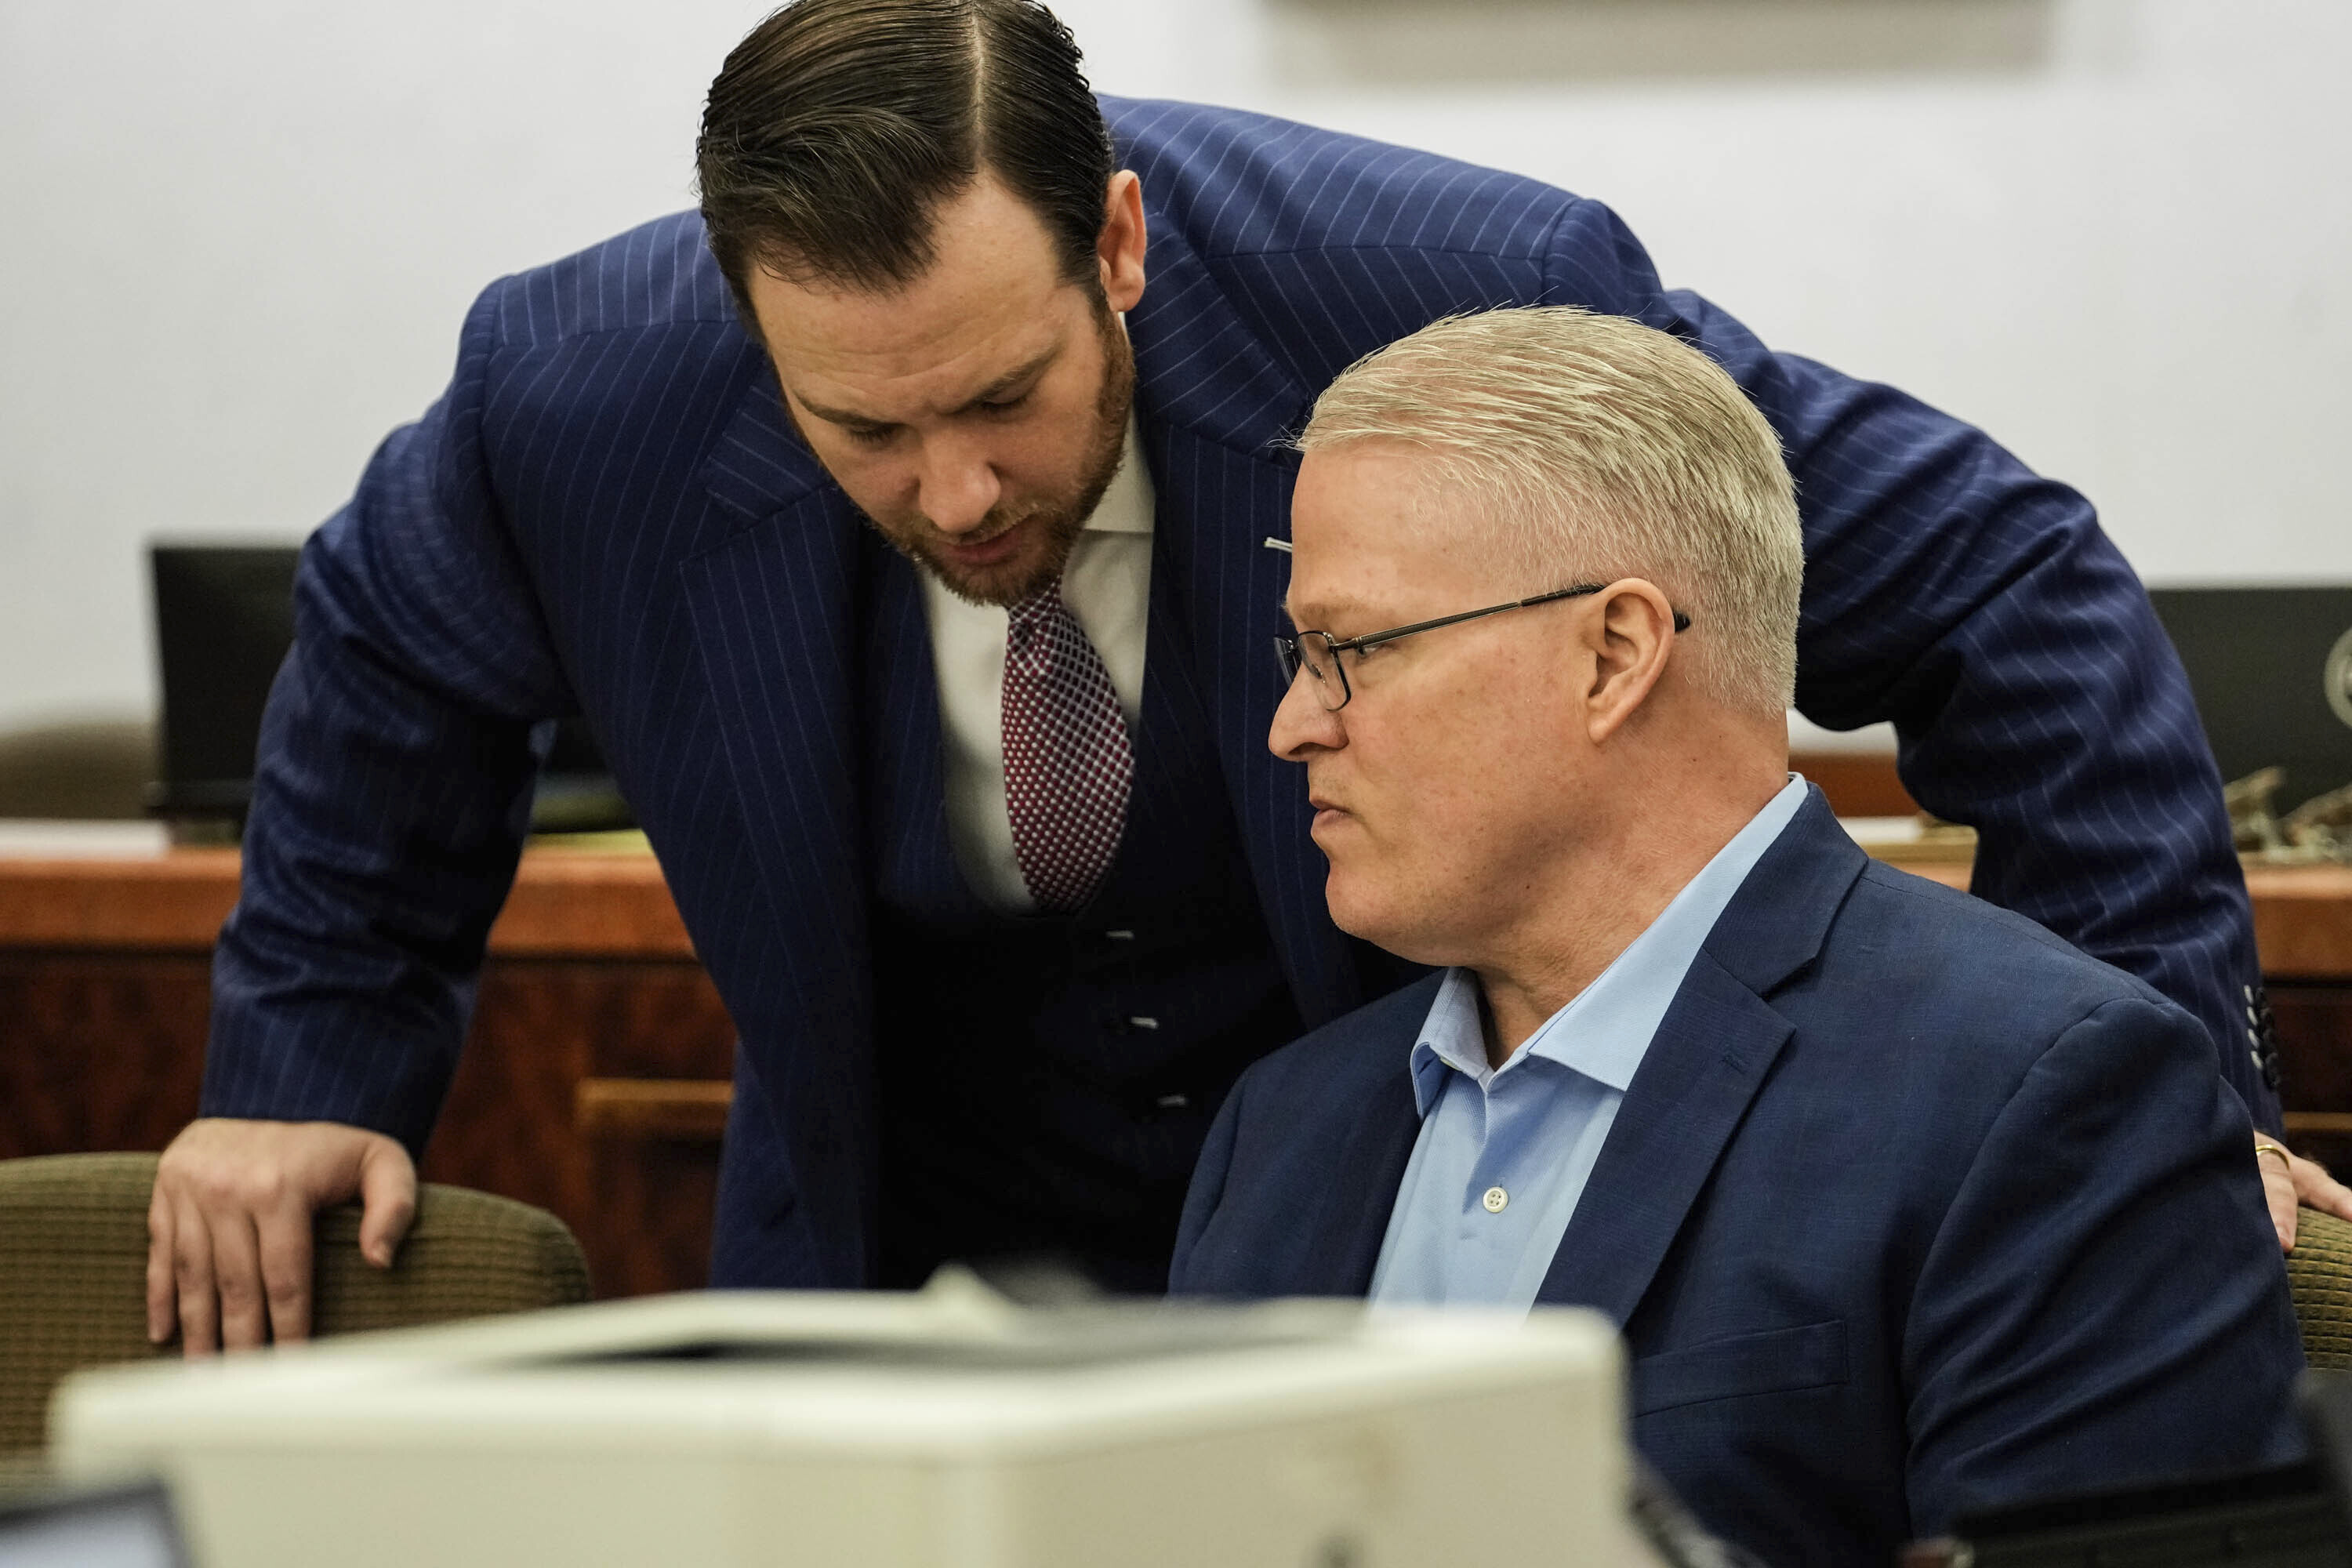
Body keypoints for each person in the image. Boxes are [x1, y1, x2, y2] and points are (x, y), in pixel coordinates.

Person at [145, 0, 2332, 1356]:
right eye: (863, 429)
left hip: (1402, 1246)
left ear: (1118, 243)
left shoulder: (1445, 295)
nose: (955, 490)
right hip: (899, 1274)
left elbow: (2007, 582)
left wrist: (2162, 1100)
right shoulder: (573, 391)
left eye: (1003, 395)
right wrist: (301, 1066)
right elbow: (387, 667)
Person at [1167, 306, 2306, 1566]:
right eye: (1300, 654)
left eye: (1351, 651)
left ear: (1613, 656)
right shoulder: (1281, 1128)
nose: (1293, 725)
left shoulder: (2045, 1097)